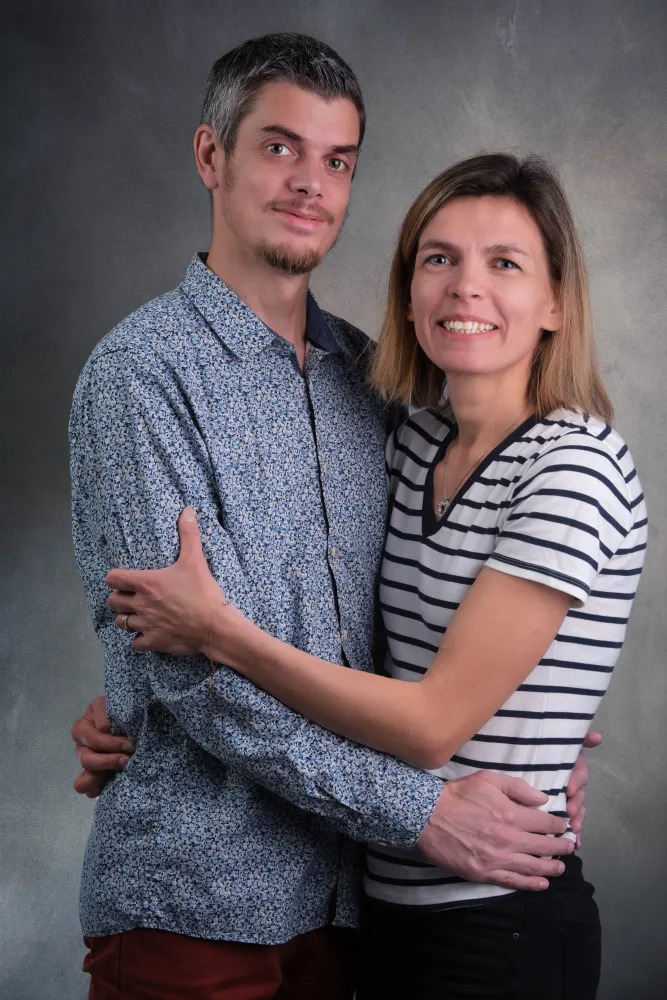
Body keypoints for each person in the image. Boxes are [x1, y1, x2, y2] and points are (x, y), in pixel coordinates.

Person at [69, 32, 591, 1000]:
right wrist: (418, 811)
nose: (311, 183)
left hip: (350, 909)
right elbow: (193, 681)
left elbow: (422, 619)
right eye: (279, 147)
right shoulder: (139, 377)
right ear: (211, 156)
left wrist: (537, 742)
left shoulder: (373, 383)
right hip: (195, 900)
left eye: (337, 160)